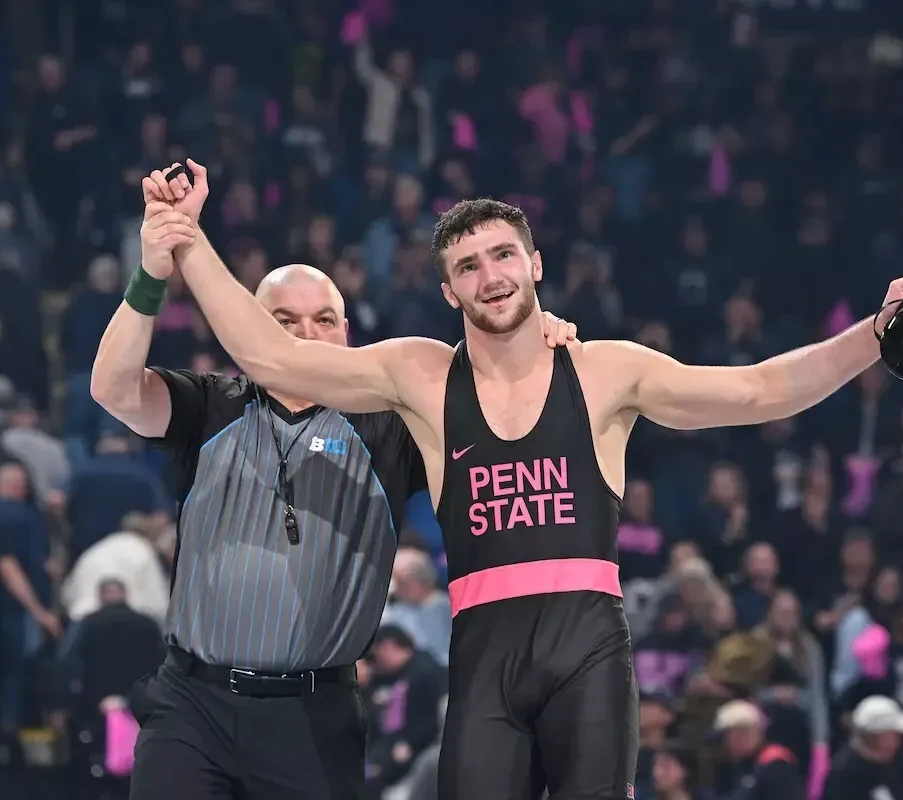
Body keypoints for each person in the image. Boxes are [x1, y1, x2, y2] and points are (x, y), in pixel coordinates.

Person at [143, 159, 903, 800]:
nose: (489, 276)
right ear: (447, 289)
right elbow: (273, 357)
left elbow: (760, 391)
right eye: (467, 265)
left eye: (501, 255)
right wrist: (187, 238)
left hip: (588, 648)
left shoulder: (606, 372)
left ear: (535, 263)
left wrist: (874, 336)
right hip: (485, 656)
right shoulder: (418, 376)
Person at [91, 176, 579, 800]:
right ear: (251, 332)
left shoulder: (391, 427)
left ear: (347, 331)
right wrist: (151, 274)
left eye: (325, 319)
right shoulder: (209, 406)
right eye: (283, 320)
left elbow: (494, 386)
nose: (307, 334)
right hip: (192, 705)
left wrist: (539, 331)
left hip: (314, 717)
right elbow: (113, 388)